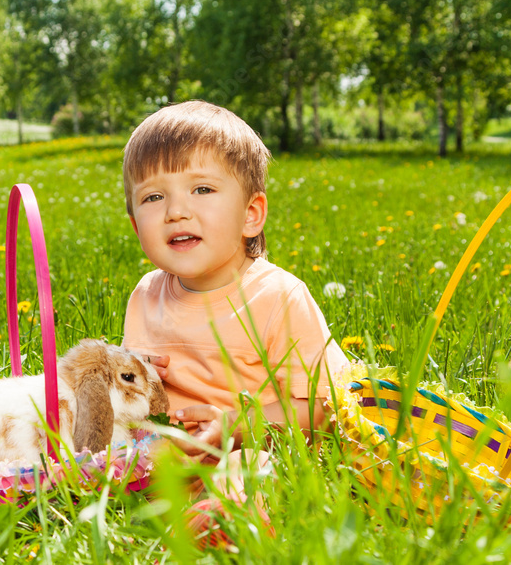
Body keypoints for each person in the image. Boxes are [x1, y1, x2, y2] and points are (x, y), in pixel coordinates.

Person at [121, 99, 348, 467]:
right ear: (136, 227)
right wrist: (134, 378)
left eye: (202, 190)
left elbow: (323, 407)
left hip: (253, 456)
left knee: (245, 469)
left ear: (250, 214)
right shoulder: (146, 295)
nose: (176, 211)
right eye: (154, 197)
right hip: (165, 460)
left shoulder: (277, 297)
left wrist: (236, 427)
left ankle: (222, 518)